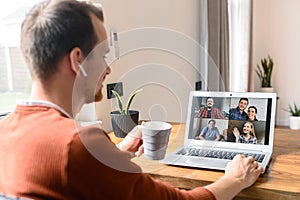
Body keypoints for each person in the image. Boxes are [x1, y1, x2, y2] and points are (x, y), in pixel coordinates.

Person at [0, 1, 263, 199]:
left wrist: (113, 157)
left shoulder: (6, 132)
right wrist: (236, 179)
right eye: (103, 54)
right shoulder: (79, 145)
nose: (108, 68)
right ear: (77, 60)